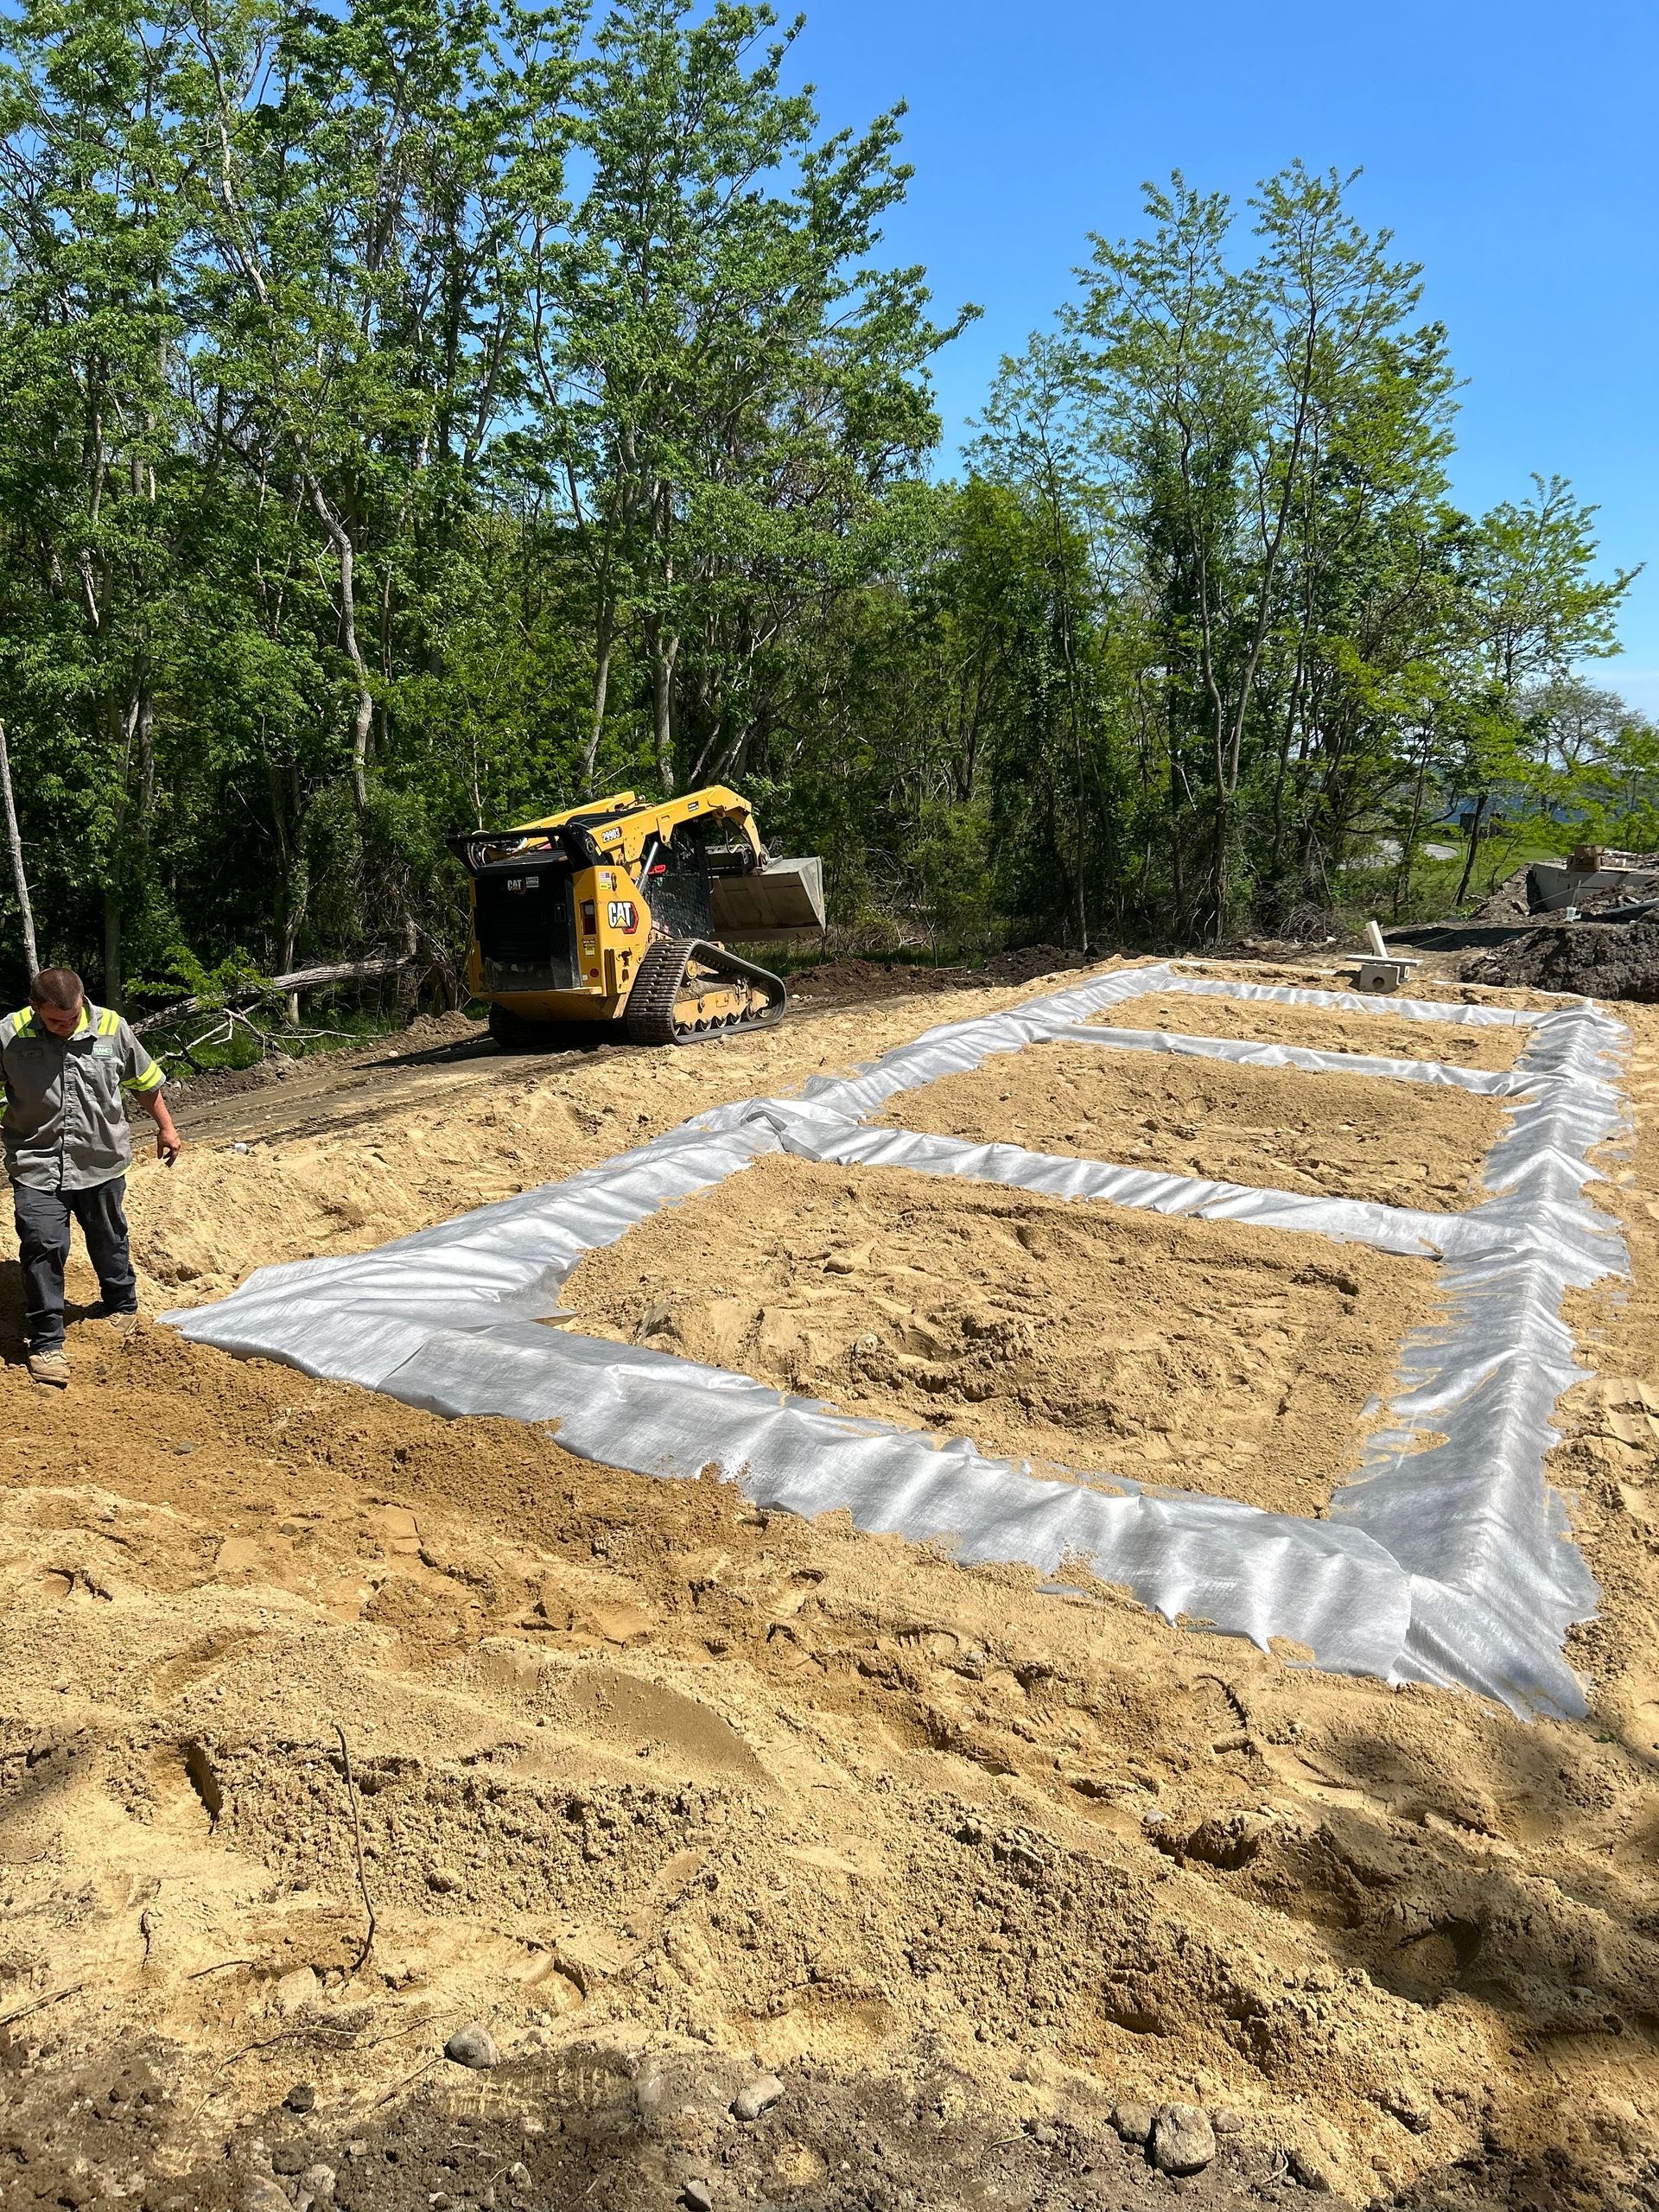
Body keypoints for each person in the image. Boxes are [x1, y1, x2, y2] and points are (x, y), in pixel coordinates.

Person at [0, 967, 183, 1386]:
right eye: (54, 1021)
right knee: (42, 1243)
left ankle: (121, 1306)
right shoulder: (9, 1034)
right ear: (35, 1009)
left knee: (108, 1232)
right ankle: (47, 1342)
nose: (65, 1027)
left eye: (72, 1018)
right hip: (36, 1161)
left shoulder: (112, 1028)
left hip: (100, 1160)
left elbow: (144, 1080)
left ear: (82, 1001)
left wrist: (166, 1127)